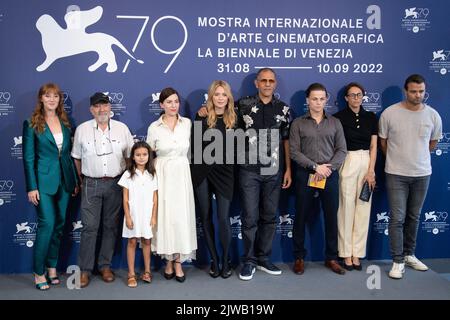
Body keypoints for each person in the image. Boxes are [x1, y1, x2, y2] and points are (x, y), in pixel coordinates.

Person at [379, 74, 442, 279]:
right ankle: (397, 261)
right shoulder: (390, 113)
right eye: (414, 91)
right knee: (397, 218)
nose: (418, 95)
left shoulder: (433, 115)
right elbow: (383, 142)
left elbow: (432, 144)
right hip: (396, 173)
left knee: (414, 217)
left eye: (421, 91)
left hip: (422, 173)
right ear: (406, 91)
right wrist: (398, 160)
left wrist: (417, 158)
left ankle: (409, 254)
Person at [72, 92, 134, 288]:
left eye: (104, 105)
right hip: (91, 183)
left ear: (110, 108)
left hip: (116, 183)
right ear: (91, 109)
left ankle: (105, 266)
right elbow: (77, 157)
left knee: (110, 226)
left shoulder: (122, 129)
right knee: (89, 228)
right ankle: (85, 270)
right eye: (97, 106)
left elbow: (131, 155)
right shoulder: (82, 130)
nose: (102, 109)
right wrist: (82, 179)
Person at [236, 68, 292, 281]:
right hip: (248, 170)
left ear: (275, 84)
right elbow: (224, 119)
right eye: (263, 80)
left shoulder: (284, 109)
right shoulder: (243, 105)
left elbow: (286, 140)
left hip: (273, 170)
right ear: (256, 83)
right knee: (250, 217)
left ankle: (264, 258)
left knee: (269, 216)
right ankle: (249, 261)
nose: (267, 84)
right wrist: (204, 112)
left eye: (271, 81)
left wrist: (287, 169)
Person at [22, 83, 79, 290]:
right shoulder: (31, 124)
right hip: (43, 183)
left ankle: (52, 266)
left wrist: (73, 180)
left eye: (56, 96)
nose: (52, 99)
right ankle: (38, 271)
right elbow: (28, 159)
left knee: (60, 224)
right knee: (47, 223)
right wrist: (31, 186)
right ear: (41, 99)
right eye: (48, 96)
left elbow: (67, 156)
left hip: (65, 180)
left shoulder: (65, 122)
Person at [289, 83, 347, 275]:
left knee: (331, 217)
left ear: (326, 100)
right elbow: (294, 152)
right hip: (306, 173)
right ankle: (299, 257)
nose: (318, 102)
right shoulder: (298, 123)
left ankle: (331, 257)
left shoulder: (335, 122)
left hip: (329, 174)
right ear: (307, 100)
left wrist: (328, 168)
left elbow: (341, 150)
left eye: (322, 99)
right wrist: (315, 167)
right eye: (314, 98)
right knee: (301, 216)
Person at [146, 87, 197, 283]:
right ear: (161, 105)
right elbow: (149, 155)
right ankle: (168, 260)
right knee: (165, 217)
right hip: (163, 174)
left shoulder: (187, 124)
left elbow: (193, 151)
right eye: (169, 102)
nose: (173, 105)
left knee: (181, 217)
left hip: (182, 173)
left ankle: (178, 262)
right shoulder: (154, 127)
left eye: (176, 101)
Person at [190, 80, 236, 279]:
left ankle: (226, 260)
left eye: (223, 94)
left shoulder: (236, 118)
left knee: (223, 218)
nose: (220, 98)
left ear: (228, 98)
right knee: (206, 217)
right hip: (202, 171)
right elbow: (195, 147)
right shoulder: (200, 117)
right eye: (216, 94)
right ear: (211, 97)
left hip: (225, 172)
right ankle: (214, 260)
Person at [334, 82, 378, 271]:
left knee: (363, 208)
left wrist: (371, 170)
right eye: (352, 95)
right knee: (346, 207)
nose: (356, 98)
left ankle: (357, 253)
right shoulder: (338, 118)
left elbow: (374, 146)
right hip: (348, 159)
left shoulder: (371, 117)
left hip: (367, 161)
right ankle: (345, 253)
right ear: (346, 98)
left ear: (363, 96)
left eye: (359, 95)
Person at [118, 141, 158, 287]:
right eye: (138, 155)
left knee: (147, 241)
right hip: (133, 215)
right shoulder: (128, 174)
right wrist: (127, 216)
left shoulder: (152, 174)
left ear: (149, 156)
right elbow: (125, 198)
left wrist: (153, 216)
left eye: (144, 154)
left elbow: (155, 197)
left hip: (147, 215)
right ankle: (131, 274)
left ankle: (147, 271)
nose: (141, 157)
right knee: (132, 241)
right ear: (133, 157)